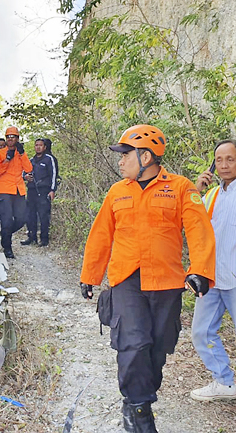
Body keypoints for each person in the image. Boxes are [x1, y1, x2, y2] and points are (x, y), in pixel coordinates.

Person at [79, 125, 215, 433]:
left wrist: (201, 270)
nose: (120, 161)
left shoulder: (180, 188)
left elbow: (198, 230)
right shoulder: (117, 191)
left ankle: (141, 396)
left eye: (125, 155)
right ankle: (137, 409)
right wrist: (90, 274)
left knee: (158, 347)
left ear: (146, 156)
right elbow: (101, 234)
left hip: (166, 280)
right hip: (126, 279)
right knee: (134, 343)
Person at [190, 139, 236, 401]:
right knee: (201, 331)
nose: (224, 165)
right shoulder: (212, 195)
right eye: (219, 160)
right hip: (212, 278)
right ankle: (224, 382)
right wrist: (196, 190)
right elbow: (193, 223)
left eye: (230, 159)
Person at [0, 127, 33, 258]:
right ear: (6, 138)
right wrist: (7, 160)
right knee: (6, 220)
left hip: (19, 190)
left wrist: (22, 154)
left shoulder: (20, 153)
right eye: (8, 137)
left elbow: (28, 168)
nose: (11, 139)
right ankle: (7, 248)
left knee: (22, 219)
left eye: (13, 137)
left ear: (17, 139)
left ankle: (6, 233)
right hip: (4, 191)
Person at [22, 138, 57, 246]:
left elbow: (54, 175)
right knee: (29, 215)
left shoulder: (49, 159)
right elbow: (23, 172)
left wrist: (52, 190)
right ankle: (32, 237)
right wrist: (25, 176)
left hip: (44, 191)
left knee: (43, 216)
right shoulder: (31, 160)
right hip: (31, 191)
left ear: (44, 147)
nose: (38, 147)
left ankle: (44, 239)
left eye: (40, 145)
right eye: (36, 145)